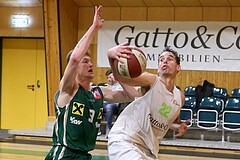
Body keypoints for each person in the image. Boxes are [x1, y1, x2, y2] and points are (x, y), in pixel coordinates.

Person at [45, 6, 139, 160]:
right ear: (74, 68)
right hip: (64, 154)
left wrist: (117, 71)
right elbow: (75, 58)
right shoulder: (68, 89)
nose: (90, 64)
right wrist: (94, 28)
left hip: (85, 155)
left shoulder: (98, 92)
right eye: (85, 61)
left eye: (91, 61)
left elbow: (132, 95)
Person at [107, 42, 190, 160]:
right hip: (126, 140)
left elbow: (167, 120)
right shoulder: (152, 81)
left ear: (178, 67)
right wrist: (111, 57)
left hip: (149, 150)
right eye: (161, 60)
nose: (165, 61)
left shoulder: (179, 97)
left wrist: (178, 127)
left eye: (169, 59)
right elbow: (121, 78)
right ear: (158, 68)